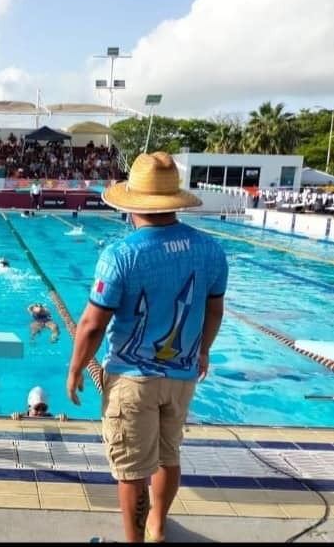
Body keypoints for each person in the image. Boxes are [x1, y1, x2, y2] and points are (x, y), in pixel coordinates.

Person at [65, 151, 228, 543]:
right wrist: (202, 350)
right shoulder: (210, 250)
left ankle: (136, 540)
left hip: (132, 380)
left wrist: (74, 369)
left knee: (132, 470)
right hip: (182, 377)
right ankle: (156, 525)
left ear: (132, 203)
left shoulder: (122, 255)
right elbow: (215, 310)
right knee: (169, 455)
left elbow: (91, 325)